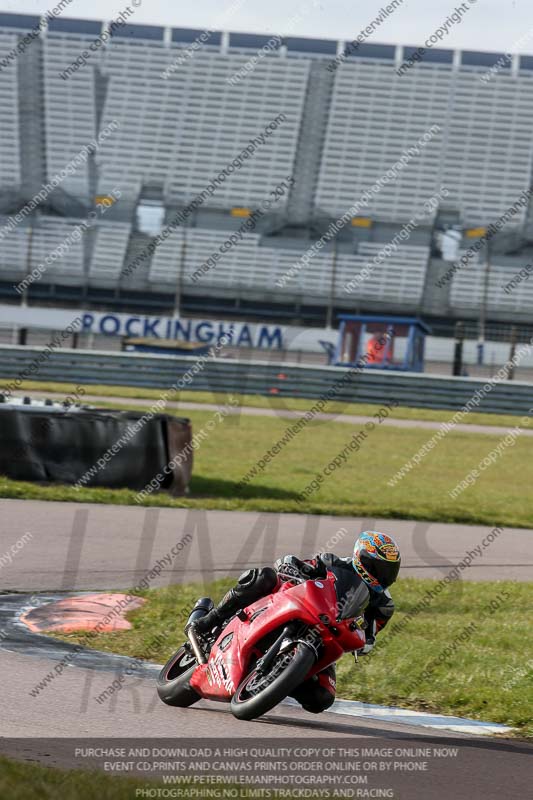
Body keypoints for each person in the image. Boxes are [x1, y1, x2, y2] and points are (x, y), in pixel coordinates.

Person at [190, 531, 401, 714]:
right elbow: (295, 563)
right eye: (377, 566)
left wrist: (366, 642)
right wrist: (292, 567)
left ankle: (278, 678)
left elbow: (371, 632)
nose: (382, 575)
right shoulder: (333, 563)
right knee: (263, 577)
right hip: (296, 605)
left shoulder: (384, 604)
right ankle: (210, 620)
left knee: (322, 698)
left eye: (388, 570)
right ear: (360, 556)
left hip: (326, 635)